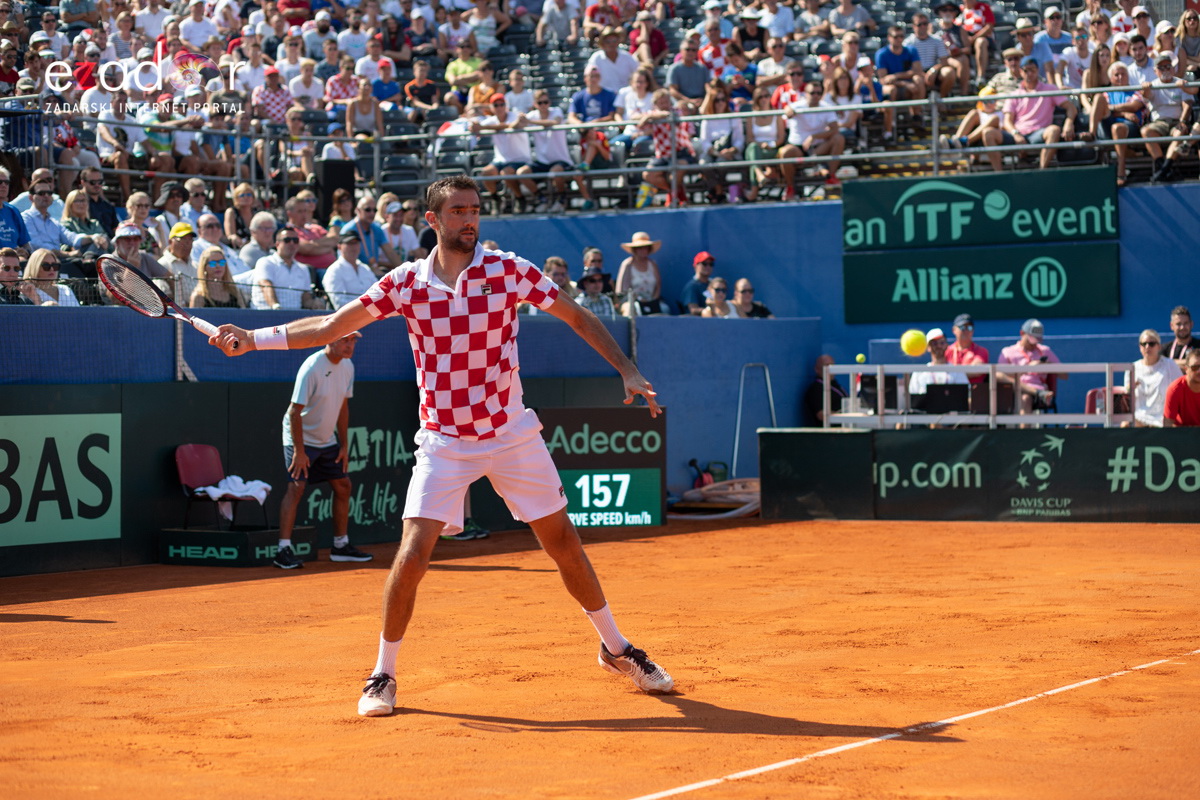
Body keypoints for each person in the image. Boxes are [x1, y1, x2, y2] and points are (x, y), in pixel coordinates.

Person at [208, 175, 672, 717]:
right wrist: (254, 340)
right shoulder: (405, 283)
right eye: (457, 211)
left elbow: (575, 313)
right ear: (433, 220)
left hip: (511, 432)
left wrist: (627, 369)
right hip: (445, 440)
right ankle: (383, 674)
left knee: (563, 544)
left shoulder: (508, 270)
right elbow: (332, 325)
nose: (469, 219)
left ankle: (615, 647)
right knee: (412, 555)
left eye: (475, 209)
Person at [274, 330, 374, 569]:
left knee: (343, 485)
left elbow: (343, 407)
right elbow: (293, 412)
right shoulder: (312, 367)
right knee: (296, 487)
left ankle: (340, 546)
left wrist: (344, 444)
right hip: (300, 437)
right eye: (344, 340)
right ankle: (282, 550)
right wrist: (299, 451)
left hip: (326, 439)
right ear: (330, 339)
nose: (349, 346)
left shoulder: (348, 366)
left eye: (353, 341)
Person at [982, 56, 1079, 171]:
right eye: (1026, 70)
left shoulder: (1049, 89)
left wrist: (1069, 123)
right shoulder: (1014, 94)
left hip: (1039, 133)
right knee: (988, 133)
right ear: (1021, 72)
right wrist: (1015, 134)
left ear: (1037, 71)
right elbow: (1007, 120)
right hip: (1017, 134)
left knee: (1054, 130)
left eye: (1032, 70)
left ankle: (1042, 172)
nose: (1029, 73)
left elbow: (1071, 107)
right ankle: (999, 174)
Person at [998, 318, 1065, 416]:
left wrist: (1047, 365)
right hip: (1012, 390)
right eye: (1032, 338)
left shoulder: (1045, 351)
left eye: (1038, 339)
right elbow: (1001, 376)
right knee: (999, 378)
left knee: (1025, 398)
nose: (1034, 343)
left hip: (1037, 393)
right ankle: (1037, 392)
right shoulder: (1007, 352)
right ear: (1022, 333)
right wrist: (1027, 368)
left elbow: (1064, 375)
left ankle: (1024, 431)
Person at [1123, 328, 1181, 427]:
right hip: (1139, 418)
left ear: (1159, 346)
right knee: (1124, 425)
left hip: (1163, 419)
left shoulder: (1170, 365)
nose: (1147, 347)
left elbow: (1181, 390)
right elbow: (1126, 398)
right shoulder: (1132, 368)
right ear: (1139, 347)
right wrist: (1130, 388)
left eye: (1151, 343)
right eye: (1143, 344)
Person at [254, 226, 316, 310]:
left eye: (295, 241)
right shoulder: (265, 262)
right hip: (266, 314)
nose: (292, 243)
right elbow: (266, 286)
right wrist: (275, 307)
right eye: (287, 240)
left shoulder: (303, 269)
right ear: (277, 244)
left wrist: (315, 304)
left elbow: (306, 298)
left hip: (294, 318)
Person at [615, 231, 665, 316]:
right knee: (630, 310)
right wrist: (638, 299)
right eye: (640, 247)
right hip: (632, 301)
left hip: (652, 301)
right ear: (634, 249)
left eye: (645, 247)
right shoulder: (627, 264)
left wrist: (653, 300)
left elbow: (658, 286)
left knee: (665, 309)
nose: (643, 250)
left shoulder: (653, 264)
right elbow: (622, 291)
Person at [323, 230, 378, 309]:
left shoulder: (365, 269)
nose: (353, 247)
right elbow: (339, 303)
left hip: (371, 315)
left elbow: (378, 293)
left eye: (356, 243)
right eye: (349, 243)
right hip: (348, 319)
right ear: (339, 246)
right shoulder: (334, 271)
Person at [908, 328, 969, 395]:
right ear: (928, 347)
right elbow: (913, 400)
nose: (938, 346)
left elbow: (965, 396)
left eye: (942, 343)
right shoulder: (919, 373)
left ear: (946, 345)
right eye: (934, 343)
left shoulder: (957, 371)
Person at [803, 353, 848, 426]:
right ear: (817, 369)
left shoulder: (836, 385)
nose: (830, 369)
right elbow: (821, 415)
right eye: (827, 365)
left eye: (832, 365)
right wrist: (846, 417)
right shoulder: (816, 389)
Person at [945, 312, 988, 384]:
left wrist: (952, 372)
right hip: (951, 392)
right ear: (954, 330)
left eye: (969, 328)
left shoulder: (981, 351)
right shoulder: (947, 351)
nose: (966, 331)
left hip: (975, 393)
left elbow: (976, 370)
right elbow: (941, 372)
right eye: (962, 327)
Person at [1163, 350, 1200, 427]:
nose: (1199, 371)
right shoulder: (1175, 389)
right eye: (1195, 367)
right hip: (1183, 434)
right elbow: (1168, 423)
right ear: (1186, 369)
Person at [678, 250, 714, 315]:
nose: (708, 267)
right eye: (704, 264)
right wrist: (710, 311)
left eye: (711, 264)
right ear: (696, 265)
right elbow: (693, 310)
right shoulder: (692, 286)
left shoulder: (713, 284)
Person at [1165, 305, 1199, 369]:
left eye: (1185, 323)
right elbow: (1160, 363)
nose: (1182, 327)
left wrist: (1170, 363)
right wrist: (1187, 363)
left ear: (1191, 324)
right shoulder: (1164, 349)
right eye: (1178, 324)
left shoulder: (1198, 346)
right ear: (1171, 326)